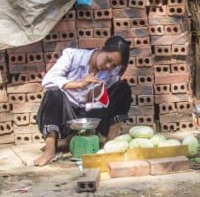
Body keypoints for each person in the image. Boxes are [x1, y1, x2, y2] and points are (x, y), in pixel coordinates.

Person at [33, 36, 132, 166]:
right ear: (102, 48)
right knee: (53, 92)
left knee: (122, 88)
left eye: (113, 65)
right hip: (67, 114)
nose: (108, 66)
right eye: (108, 60)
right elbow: (48, 81)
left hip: (91, 115)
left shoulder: (113, 70)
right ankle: (50, 150)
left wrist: (98, 94)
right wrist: (80, 84)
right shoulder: (73, 56)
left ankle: (109, 144)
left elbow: (110, 95)